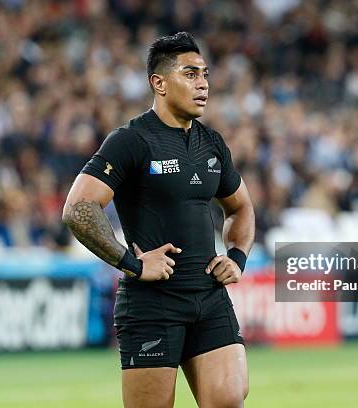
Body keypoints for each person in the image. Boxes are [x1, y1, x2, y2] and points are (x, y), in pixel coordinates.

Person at [62, 32, 254, 408]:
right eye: (190, 74)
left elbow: (242, 207)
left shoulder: (212, 143)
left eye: (205, 75)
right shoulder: (131, 140)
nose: (203, 84)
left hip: (209, 297)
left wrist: (238, 256)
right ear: (159, 83)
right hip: (153, 305)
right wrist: (131, 264)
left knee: (229, 399)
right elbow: (78, 208)